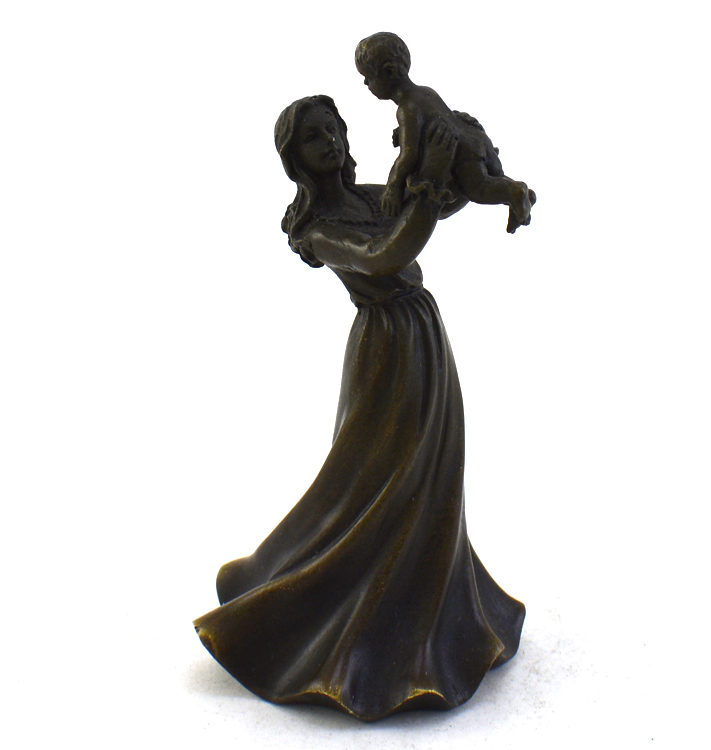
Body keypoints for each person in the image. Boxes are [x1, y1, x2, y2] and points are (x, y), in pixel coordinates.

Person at [194, 95, 525, 721]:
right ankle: (346, 621)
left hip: (422, 334)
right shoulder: (317, 229)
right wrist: (428, 183)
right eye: (313, 138)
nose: (330, 142)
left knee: (428, 477)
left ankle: (427, 598)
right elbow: (386, 255)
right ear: (295, 160)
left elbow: (431, 209)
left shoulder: (370, 196)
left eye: (333, 129)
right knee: (375, 481)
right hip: (386, 349)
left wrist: (460, 165)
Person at [355, 32, 535, 233]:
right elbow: (436, 116)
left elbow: (408, 156)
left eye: (368, 77)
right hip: (476, 137)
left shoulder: (407, 109)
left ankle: (516, 193)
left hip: (465, 153)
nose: (366, 84)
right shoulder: (425, 91)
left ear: (389, 72)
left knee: (480, 189)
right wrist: (406, 131)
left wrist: (393, 187)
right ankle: (522, 198)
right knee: (497, 178)